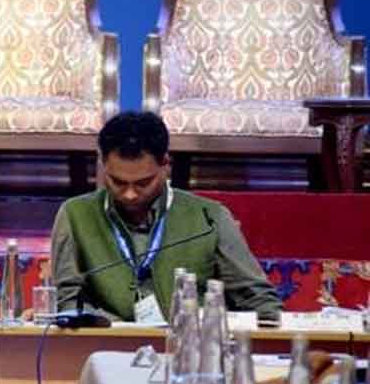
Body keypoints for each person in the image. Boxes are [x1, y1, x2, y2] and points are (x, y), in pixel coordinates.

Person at [51, 111, 281, 322]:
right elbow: (67, 301)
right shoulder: (75, 215)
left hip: (191, 344)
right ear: (102, 165)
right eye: (117, 182)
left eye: (143, 183)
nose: (130, 194)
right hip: (106, 344)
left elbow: (257, 299)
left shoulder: (210, 217)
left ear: (165, 165)